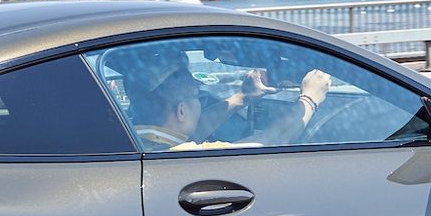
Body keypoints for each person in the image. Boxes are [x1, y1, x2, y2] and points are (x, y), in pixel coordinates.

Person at [130, 66, 331, 150]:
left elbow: (196, 129)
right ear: (181, 111)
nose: (201, 104)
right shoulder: (188, 155)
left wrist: (242, 97)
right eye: (198, 97)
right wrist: (310, 99)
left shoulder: (138, 140)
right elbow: (272, 140)